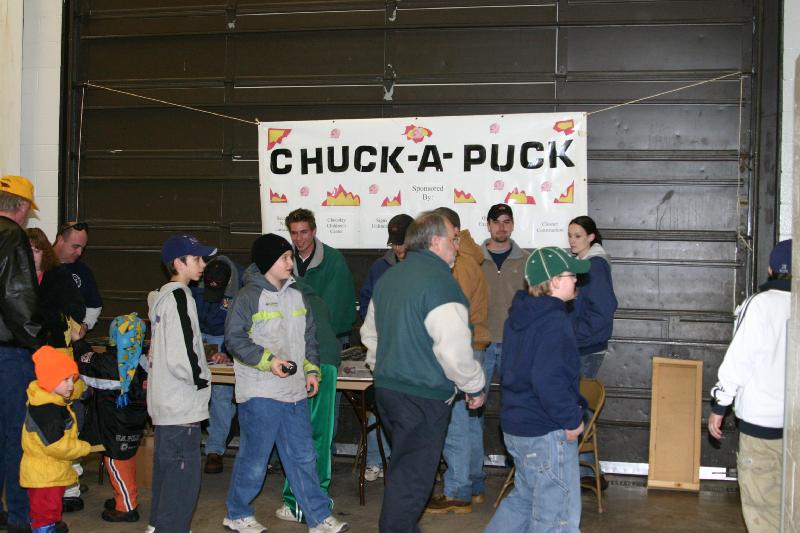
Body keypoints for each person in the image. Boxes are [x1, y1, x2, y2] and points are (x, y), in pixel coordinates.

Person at [360, 211, 486, 533]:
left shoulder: (389, 278)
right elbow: (454, 350)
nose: (458, 246)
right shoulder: (441, 284)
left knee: (405, 471)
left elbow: (369, 334)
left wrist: (382, 368)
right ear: (435, 241)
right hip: (423, 397)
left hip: (388, 392)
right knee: (414, 481)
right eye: (454, 239)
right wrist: (474, 385)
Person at [222, 233, 349, 533]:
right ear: (268, 262)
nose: (291, 262)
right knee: (255, 458)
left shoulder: (297, 295)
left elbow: (309, 339)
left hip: (294, 394)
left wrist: (312, 371)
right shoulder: (247, 297)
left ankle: (317, 517)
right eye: (285, 258)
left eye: (291, 257)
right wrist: (269, 361)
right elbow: (235, 340)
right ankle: (237, 513)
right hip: (261, 392)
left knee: (304, 456)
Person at [485, 247, 590, 533]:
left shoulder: (517, 317)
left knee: (524, 499)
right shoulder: (554, 322)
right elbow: (549, 380)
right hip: (546, 432)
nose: (576, 281)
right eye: (571, 276)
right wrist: (571, 419)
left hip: (518, 428)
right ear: (554, 281)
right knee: (557, 517)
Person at [708, 239, 791, 533]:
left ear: (770, 269)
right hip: (794, 425)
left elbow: (738, 361)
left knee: (762, 509)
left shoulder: (758, 305)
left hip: (761, 426)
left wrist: (720, 406)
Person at [147, 234, 216, 533]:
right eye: (197, 258)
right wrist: (202, 382)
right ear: (179, 263)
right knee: (181, 485)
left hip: (168, 406)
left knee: (167, 478)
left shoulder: (165, 297)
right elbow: (183, 354)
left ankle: (157, 527)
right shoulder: (178, 297)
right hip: (181, 407)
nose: (203, 264)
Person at [426, 206, 490, 514]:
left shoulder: (459, 263)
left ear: (451, 229)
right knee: (471, 421)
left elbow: (451, 310)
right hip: (473, 341)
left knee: (457, 423)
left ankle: (457, 490)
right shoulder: (468, 257)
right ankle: (473, 484)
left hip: (463, 344)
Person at [0, 174, 46, 533]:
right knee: (16, 436)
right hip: (8, 355)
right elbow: (17, 298)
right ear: (23, 207)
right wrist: (39, 344)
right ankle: (18, 517)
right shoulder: (12, 237)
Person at [275, 277, 342, 523]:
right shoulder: (314, 296)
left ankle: (298, 503)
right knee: (321, 436)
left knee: (300, 437)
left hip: (306, 366)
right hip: (328, 364)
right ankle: (319, 497)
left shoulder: (284, 298)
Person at [74, 313, 148, 523]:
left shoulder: (111, 364)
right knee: (127, 461)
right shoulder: (142, 360)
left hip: (114, 425)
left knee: (115, 464)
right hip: (132, 425)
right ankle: (124, 496)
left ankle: (126, 507)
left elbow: (87, 365)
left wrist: (79, 342)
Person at [357, 213, 413, 481]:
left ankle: (404, 463)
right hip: (385, 349)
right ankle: (376, 460)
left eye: (402, 242)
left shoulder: (426, 267)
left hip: (412, 352)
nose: (398, 248)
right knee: (379, 407)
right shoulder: (380, 267)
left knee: (410, 414)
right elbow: (367, 302)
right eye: (394, 243)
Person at [566, 215, 617, 488]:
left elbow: (603, 311)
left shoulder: (594, 267)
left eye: (577, 236)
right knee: (579, 407)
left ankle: (588, 473)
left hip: (586, 347)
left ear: (591, 237)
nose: (572, 241)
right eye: (570, 236)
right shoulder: (582, 264)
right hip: (581, 345)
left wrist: (573, 336)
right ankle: (588, 473)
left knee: (577, 407)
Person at [21, 346, 94, 533]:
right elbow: (57, 446)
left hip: (51, 473)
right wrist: (82, 448)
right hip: (44, 477)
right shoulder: (47, 410)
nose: (71, 385)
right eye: (65, 379)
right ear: (49, 380)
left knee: (49, 512)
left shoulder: (54, 402)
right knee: (45, 514)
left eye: (72, 379)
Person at [190, 256, 242, 474]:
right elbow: (189, 320)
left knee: (221, 395)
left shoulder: (241, 289)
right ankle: (188, 449)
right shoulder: (194, 285)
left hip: (226, 337)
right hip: (199, 336)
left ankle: (215, 450)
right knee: (192, 390)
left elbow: (244, 328)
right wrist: (198, 347)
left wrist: (228, 354)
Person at [479, 204, 527, 402]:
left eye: (506, 222)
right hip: (480, 343)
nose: (501, 227)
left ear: (513, 225)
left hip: (514, 343)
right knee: (474, 404)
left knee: (515, 403)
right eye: (496, 222)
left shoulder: (527, 260)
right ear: (488, 225)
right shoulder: (474, 260)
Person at [285, 208, 355, 343]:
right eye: (294, 233)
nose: (298, 239)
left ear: (314, 231)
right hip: (296, 336)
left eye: (304, 232)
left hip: (330, 335)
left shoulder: (334, 260)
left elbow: (333, 308)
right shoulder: (284, 261)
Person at [28, 228, 86, 349]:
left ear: (45, 253)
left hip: (53, 343)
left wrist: (48, 316)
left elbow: (77, 309)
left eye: (36, 251)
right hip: (22, 345)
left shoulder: (59, 275)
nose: (31, 256)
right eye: (27, 251)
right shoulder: (13, 276)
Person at [52, 222, 102, 332]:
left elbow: (94, 305)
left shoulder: (83, 271)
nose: (79, 252)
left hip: (69, 342)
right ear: (60, 240)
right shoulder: (38, 264)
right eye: (75, 246)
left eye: (82, 248)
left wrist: (85, 325)